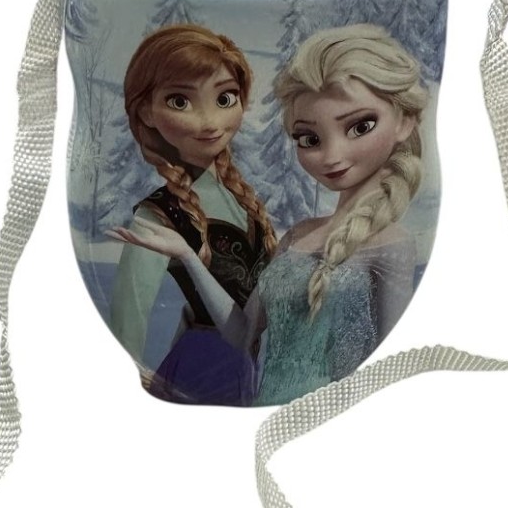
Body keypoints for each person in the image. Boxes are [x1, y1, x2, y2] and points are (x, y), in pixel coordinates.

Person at [111, 24, 426, 406]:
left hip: (337, 415)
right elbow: (243, 333)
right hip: (262, 405)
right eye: (309, 139)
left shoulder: (391, 245)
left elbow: (395, 361)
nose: (331, 156)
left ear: (405, 121)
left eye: (361, 126)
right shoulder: (297, 235)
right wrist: (187, 256)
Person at [109, 24, 277, 405]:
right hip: (202, 371)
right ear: (147, 113)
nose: (210, 121)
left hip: (248, 370)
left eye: (225, 99)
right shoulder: (158, 215)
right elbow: (127, 320)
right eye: (180, 102)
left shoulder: (242, 197)